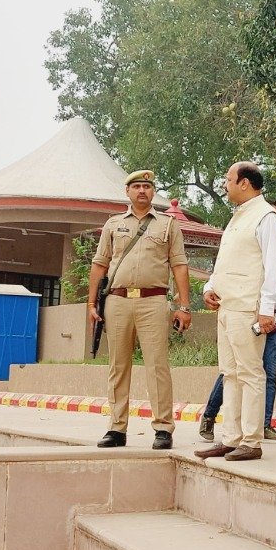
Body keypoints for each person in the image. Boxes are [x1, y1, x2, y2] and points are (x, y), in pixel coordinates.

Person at [87, 170, 193, 449]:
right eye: (136, 186)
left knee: (157, 365)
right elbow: (99, 265)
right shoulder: (113, 224)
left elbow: (179, 265)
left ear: (153, 191)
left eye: (147, 186)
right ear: (128, 192)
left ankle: (163, 428)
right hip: (118, 301)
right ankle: (116, 428)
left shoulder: (168, 225)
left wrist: (184, 306)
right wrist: (91, 304)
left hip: (154, 300)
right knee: (118, 366)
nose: (142, 191)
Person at [194, 162, 276, 463]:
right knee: (230, 374)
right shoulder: (238, 217)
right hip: (226, 306)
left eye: (228, 179)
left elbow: (275, 267)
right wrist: (208, 286)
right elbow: (225, 263)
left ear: (244, 183)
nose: (225, 184)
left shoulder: (267, 216)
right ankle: (231, 438)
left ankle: (251, 441)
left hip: (248, 307)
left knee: (250, 374)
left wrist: (267, 310)